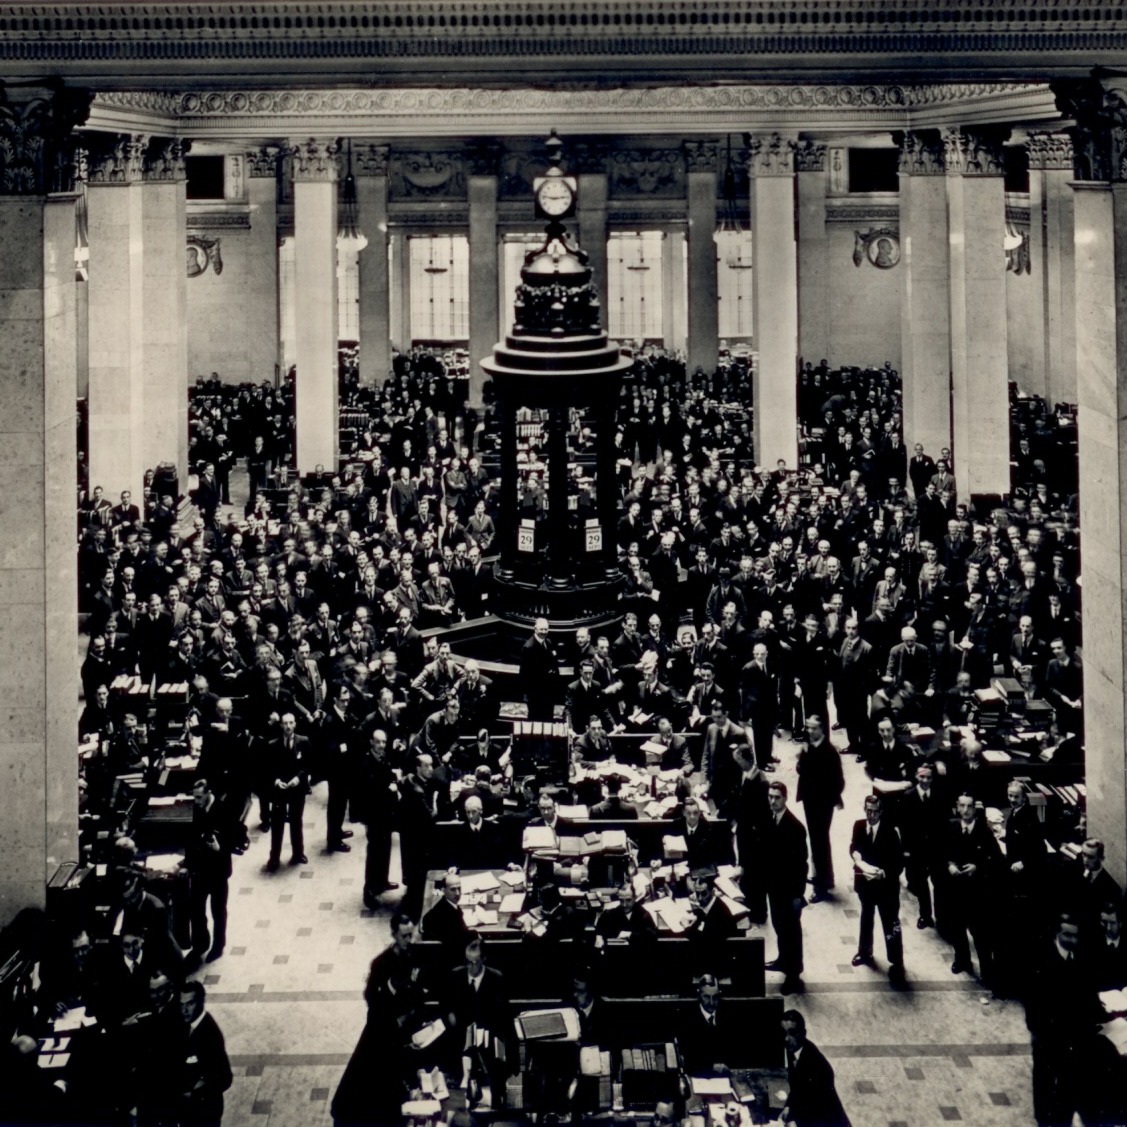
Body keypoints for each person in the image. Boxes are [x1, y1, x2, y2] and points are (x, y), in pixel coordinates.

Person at [144, 981, 233, 1127]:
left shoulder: (210, 1034)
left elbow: (225, 1078)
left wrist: (194, 1095)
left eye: (190, 1004)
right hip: (188, 1110)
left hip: (204, 1112)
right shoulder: (187, 1024)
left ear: (201, 1002)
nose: (184, 1010)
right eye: (181, 1004)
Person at [942, 793, 1002, 986]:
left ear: (975, 810)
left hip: (977, 892)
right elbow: (940, 851)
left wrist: (978, 867)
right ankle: (962, 960)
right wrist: (949, 864)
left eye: (969, 807)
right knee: (957, 929)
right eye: (962, 806)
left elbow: (996, 859)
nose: (965, 810)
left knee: (980, 934)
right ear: (957, 807)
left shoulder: (984, 832)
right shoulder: (951, 827)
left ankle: (987, 970)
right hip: (956, 890)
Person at [849, 794, 905, 984]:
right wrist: (856, 856)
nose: (871, 815)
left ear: (881, 811)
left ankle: (897, 962)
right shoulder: (858, 826)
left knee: (891, 924)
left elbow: (898, 863)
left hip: (886, 888)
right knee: (866, 918)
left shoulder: (890, 831)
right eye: (868, 811)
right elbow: (854, 846)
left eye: (875, 811)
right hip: (866, 884)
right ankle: (864, 952)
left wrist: (884, 873)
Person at [763, 781, 809, 994]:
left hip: (789, 891)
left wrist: (798, 896)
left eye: (777, 797)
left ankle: (794, 974)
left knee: (791, 931)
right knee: (780, 926)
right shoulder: (770, 819)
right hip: (774, 888)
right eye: (770, 797)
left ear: (785, 798)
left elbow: (802, 864)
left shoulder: (796, 827)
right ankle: (783, 960)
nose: (772, 801)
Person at [795, 715, 844, 902]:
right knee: (818, 840)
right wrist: (802, 757)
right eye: (807, 727)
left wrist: (829, 800)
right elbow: (802, 771)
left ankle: (821, 887)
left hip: (821, 804)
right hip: (810, 801)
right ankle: (827, 877)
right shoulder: (809, 747)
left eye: (813, 728)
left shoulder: (829, 752)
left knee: (819, 842)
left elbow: (838, 781)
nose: (809, 731)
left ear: (822, 729)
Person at [186, 778, 233, 965]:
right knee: (196, 909)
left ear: (208, 793)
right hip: (200, 869)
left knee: (218, 910)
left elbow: (234, 838)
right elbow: (191, 837)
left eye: (199, 797)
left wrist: (218, 847)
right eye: (194, 797)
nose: (196, 801)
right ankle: (200, 944)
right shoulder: (196, 808)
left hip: (218, 870)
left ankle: (218, 945)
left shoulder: (224, 809)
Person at [780, 1009, 852, 1127]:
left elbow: (814, 1110)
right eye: (784, 1033)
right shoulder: (794, 1048)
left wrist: (793, 1119)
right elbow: (797, 1086)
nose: (786, 1039)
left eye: (792, 1033)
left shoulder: (819, 1069)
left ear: (803, 1033)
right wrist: (789, 1106)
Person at [898, 761, 945, 931]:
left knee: (939, 883)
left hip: (935, 848)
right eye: (922, 777)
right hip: (916, 848)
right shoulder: (908, 797)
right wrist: (906, 849)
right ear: (916, 777)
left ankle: (941, 917)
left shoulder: (939, 796)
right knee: (921, 884)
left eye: (929, 777)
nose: (925, 780)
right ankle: (925, 915)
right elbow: (903, 825)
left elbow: (942, 823)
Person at [265, 712, 310, 871]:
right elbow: (269, 769)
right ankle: (274, 858)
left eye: (291, 723)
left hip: (297, 789)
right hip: (280, 790)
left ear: (295, 724)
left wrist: (298, 779)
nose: (288, 726)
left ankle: (298, 853)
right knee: (277, 824)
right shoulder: (272, 745)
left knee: (296, 821)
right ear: (281, 725)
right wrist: (277, 781)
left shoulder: (304, 742)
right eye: (285, 723)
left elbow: (307, 766)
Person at [422, 870, 470, 959]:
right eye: (453, 889)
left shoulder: (447, 904)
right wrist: (474, 934)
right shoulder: (443, 913)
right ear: (443, 890)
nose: (458, 893)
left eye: (459, 888)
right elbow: (460, 937)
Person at [520, 617, 560, 720]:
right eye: (541, 629)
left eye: (546, 629)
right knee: (536, 722)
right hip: (535, 695)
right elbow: (524, 674)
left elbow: (553, 664)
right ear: (535, 629)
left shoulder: (549, 642)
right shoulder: (528, 647)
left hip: (548, 693)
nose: (544, 632)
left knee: (548, 720)